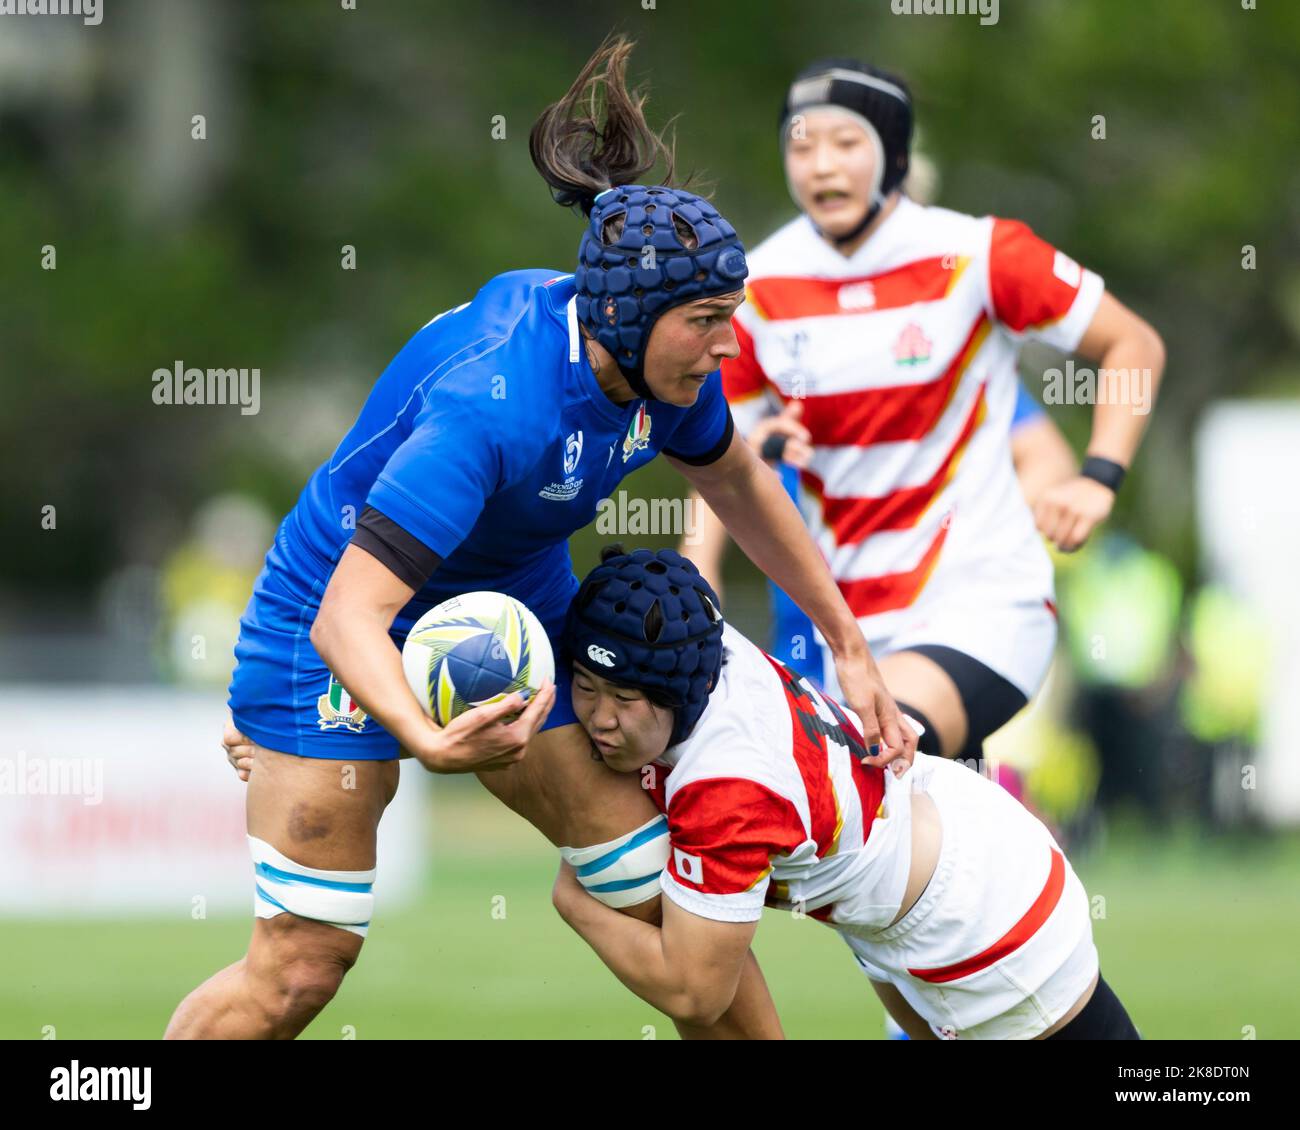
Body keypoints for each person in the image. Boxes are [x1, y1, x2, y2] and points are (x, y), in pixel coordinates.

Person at [167, 36, 914, 1041]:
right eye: (706, 319)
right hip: (329, 634)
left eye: (728, 317)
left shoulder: (661, 373)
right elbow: (354, 613)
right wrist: (426, 738)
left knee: (660, 891)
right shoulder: (494, 409)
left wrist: (852, 646)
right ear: (626, 317)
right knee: (301, 967)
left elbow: (737, 479)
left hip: (508, 606)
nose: (728, 343)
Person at [719, 58, 1166, 766]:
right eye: (800, 147)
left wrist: (1097, 476)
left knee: (865, 767)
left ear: (893, 155)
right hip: (850, 631)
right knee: (882, 840)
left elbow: (1132, 343)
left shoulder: (978, 255)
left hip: (982, 602)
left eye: (845, 143)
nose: (819, 166)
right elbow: (722, 464)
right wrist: (755, 457)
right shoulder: (755, 289)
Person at [553, 546, 1140, 1040]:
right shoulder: (702, 642)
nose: (599, 718)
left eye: (624, 700)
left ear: (676, 694)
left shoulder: (727, 788)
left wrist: (575, 903)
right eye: (585, 686)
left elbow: (696, 992)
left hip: (981, 922)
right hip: (938, 854)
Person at [681, 378, 1077, 686]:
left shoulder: (944, 355)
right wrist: (698, 573)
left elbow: (1049, 459)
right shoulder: (774, 345)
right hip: (807, 630)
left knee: (902, 760)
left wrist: (954, 540)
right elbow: (718, 469)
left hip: (923, 623)